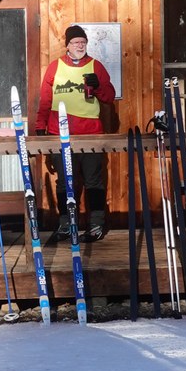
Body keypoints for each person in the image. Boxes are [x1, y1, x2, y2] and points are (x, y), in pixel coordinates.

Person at [34, 24, 118, 240]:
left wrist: (98, 86)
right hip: (60, 133)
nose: (80, 46)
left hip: (91, 134)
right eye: (75, 42)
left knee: (93, 181)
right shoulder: (55, 67)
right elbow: (45, 100)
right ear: (67, 45)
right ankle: (66, 224)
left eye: (83, 42)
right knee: (64, 181)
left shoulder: (96, 66)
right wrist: (40, 127)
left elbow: (109, 97)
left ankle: (96, 225)